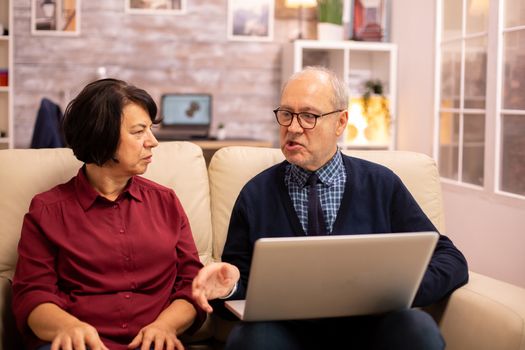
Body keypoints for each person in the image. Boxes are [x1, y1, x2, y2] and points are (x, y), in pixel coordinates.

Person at [192, 66, 469, 350]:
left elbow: (450, 259)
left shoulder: (380, 184)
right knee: (249, 339)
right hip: (285, 332)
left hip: (371, 325)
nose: (293, 127)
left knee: (417, 329)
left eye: (309, 116)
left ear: (340, 122)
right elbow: (240, 280)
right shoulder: (256, 193)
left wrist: (403, 289)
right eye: (286, 114)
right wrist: (231, 287)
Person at [12, 79, 205, 350]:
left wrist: (165, 326)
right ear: (102, 135)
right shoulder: (47, 211)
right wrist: (69, 327)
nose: (153, 142)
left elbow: (192, 284)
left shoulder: (166, 202)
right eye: (139, 132)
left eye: (151, 129)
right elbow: (31, 295)